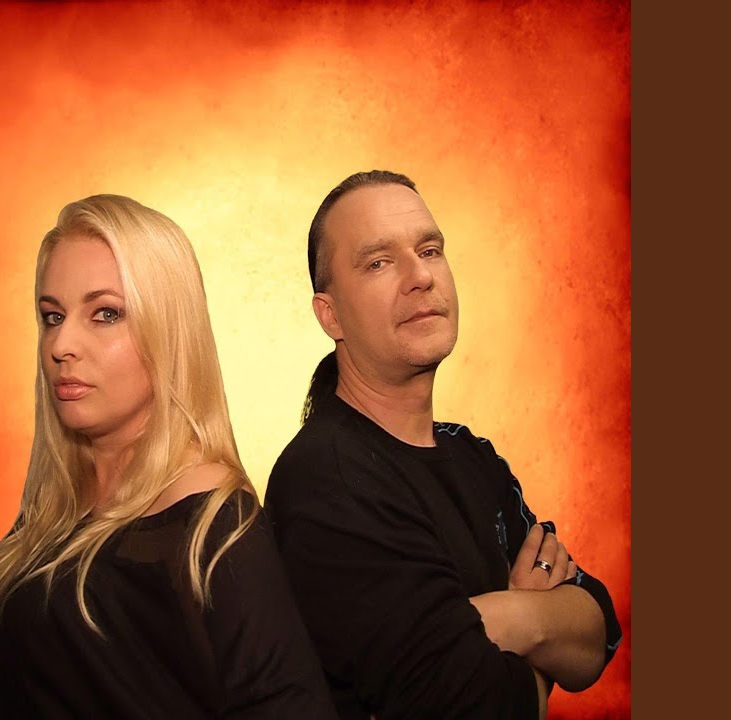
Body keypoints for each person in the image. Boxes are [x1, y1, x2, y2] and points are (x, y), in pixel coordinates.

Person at [265, 171, 623, 720]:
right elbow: (475, 709)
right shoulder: (326, 480)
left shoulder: (472, 455)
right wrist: (539, 637)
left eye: (429, 251)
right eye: (378, 262)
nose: (420, 277)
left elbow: (600, 630)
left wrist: (507, 617)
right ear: (330, 315)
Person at [0, 194, 338, 719]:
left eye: (105, 314)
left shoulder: (213, 527)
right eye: (53, 316)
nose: (61, 344)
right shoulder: (52, 513)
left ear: (169, 329)